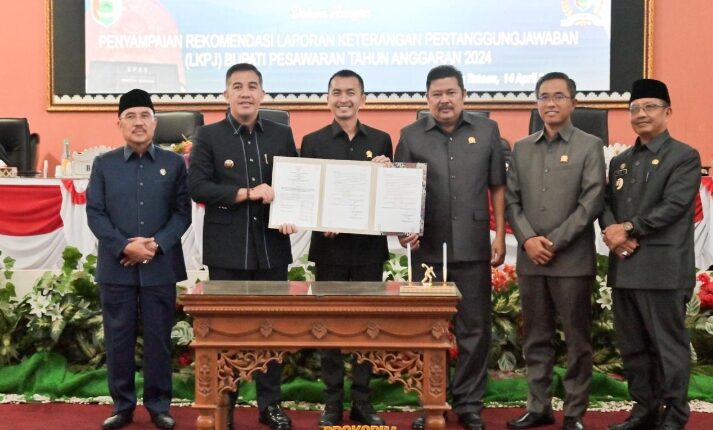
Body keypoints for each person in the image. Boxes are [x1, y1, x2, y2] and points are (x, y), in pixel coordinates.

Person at [395, 65, 506, 430]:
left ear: (464, 95)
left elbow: (497, 186)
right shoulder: (410, 135)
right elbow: (400, 191)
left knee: (475, 328)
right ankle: (433, 401)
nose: (444, 100)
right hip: (427, 249)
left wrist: (499, 234)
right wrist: (403, 230)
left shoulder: (487, 130)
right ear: (427, 99)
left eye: (451, 93)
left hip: (473, 245)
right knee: (429, 330)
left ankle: (469, 403)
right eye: (437, 94)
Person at [188, 63, 297, 430]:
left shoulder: (281, 134)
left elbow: (294, 184)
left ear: (262, 94)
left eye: (252, 86)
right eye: (237, 86)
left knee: (272, 328)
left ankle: (270, 405)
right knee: (228, 329)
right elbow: (198, 187)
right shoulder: (208, 136)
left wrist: (291, 210)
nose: (246, 92)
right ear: (226, 94)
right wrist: (247, 193)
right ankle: (226, 404)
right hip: (227, 249)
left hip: (271, 246)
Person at [505, 72, 605, 430]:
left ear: (573, 103)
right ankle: (538, 407)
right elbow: (512, 201)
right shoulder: (521, 148)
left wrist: (554, 242)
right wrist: (529, 240)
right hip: (531, 260)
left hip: (572, 261)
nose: (551, 103)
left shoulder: (590, 145)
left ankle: (574, 412)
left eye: (559, 96)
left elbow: (592, 201)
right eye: (544, 97)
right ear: (536, 103)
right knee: (535, 338)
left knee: (577, 340)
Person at [86, 89, 191, 430]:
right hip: (116, 267)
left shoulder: (173, 164)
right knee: (118, 339)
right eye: (130, 116)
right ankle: (122, 405)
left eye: (145, 115)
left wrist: (156, 245)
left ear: (155, 123)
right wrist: (124, 246)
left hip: (160, 266)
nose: (138, 122)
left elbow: (182, 213)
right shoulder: (104, 164)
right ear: (119, 124)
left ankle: (159, 406)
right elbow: (95, 213)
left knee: (159, 340)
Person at [600, 79, 700, 430]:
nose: (641, 114)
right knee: (634, 348)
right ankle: (644, 409)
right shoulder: (621, 162)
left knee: (667, 347)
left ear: (667, 112)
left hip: (662, 269)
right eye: (635, 109)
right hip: (625, 267)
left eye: (650, 107)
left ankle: (674, 414)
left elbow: (674, 205)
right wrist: (614, 234)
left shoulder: (684, 156)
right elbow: (606, 205)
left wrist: (628, 229)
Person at [300, 69, 391, 427]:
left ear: (362, 99)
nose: (343, 99)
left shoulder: (381, 140)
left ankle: (363, 401)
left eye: (351, 92)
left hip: (369, 250)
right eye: (336, 92)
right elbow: (306, 195)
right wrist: (321, 219)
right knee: (330, 325)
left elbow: (387, 196)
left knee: (368, 325)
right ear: (328, 99)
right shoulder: (312, 142)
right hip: (330, 250)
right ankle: (332, 402)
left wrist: (388, 171)